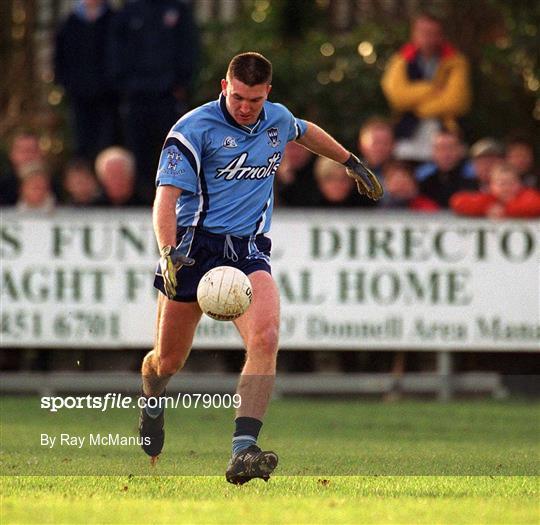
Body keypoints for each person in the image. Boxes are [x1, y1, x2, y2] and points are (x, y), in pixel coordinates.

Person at [139, 52, 382, 485]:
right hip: (192, 250)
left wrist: (350, 162)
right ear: (223, 87)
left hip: (248, 250)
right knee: (168, 360)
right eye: (238, 97)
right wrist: (167, 250)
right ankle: (153, 398)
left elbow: (304, 132)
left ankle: (242, 451)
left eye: (254, 98)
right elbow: (167, 198)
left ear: (267, 92)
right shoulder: (192, 130)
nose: (246, 106)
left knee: (266, 337)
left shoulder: (277, 119)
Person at [108, 0, 200, 204]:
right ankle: (141, 202)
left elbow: (189, 50)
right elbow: (115, 53)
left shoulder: (178, 10)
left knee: (172, 152)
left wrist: (180, 84)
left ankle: (172, 204)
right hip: (136, 99)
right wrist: (126, 87)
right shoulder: (127, 12)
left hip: (168, 98)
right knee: (138, 154)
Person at [381, 12, 471, 162]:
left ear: (441, 35)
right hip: (408, 136)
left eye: (432, 33)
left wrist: (418, 106)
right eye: (423, 32)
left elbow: (456, 102)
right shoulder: (401, 60)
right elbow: (397, 97)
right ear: (414, 34)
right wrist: (432, 90)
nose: (428, 38)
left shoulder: (455, 61)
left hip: (445, 134)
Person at [54, 0, 119, 161]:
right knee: (81, 144)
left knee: (107, 142)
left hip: (108, 96)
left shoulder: (114, 19)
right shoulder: (69, 22)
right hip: (78, 95)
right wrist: (66, 83)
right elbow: (59, 58)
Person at [450, 162, 540, 219]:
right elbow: (457, 201)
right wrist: (487, 209)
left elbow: (536, 205)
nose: (506, 188)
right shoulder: (489, 198)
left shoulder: (527, 195)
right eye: (502, 183)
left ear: (519, 184)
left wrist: (505, 211)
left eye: (511, 183)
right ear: (491, 186)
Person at [416, 130, 476, 208]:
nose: (446, 154)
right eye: (441, 148)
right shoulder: (422, 176)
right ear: (433, 151)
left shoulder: (473, 175)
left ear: (460, 150)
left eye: (450, 148)